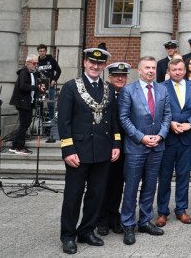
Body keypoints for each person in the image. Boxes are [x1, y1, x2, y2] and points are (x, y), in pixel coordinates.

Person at [57, 47, 120, 254]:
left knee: (96, 195)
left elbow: (114, 121)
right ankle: (68, 235)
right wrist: (68, 150)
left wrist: (116, 144)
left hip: (102, 151)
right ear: (85, 63)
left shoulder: (109, 89)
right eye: (92, 62)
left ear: (103, 67)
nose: (95, 66)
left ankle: (86, 231)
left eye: (100, 64)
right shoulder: (70, 87)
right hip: (78, 152)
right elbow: (64, 122)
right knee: (73, 196)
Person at [118, 56, 172, 245]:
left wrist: (161, 135)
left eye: (153, 67)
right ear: (139, 70)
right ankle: (128, 224)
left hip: (157, 146)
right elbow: (124, 119)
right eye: (146, 67)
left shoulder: (162, 90)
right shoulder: (128, 91)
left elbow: (167, 116)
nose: (150, 71)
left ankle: (144, 221)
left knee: (150, 187)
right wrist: (141, 137)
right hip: (135, 147)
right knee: (131, 188)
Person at [155, 58, 191, 227]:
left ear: (185, 70)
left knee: (184, 176)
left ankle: (181, 209)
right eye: (174, 69)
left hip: (186, 139)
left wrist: (190, 123)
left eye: (180, 69)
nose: (177, 72)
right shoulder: (160, 87)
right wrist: (169, 124)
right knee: (165, 177)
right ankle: (162, 211)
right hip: (167, 139)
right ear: (168, 71)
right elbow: (156, 112)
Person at [96, 62, 131, 237]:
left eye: (123, 75)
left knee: (118, 185)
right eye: (116, 75)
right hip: (105, 147)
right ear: (109, 77)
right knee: (102, 184)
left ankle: (113, 217)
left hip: (124, 148)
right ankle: (101, 220)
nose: (120, 78)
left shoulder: (130, 94)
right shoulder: (103, 94)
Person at [9, 54, 44, 154]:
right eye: (34, 63)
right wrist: (36, 87)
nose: (35, 65)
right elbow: (23, 86)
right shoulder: (24, 72)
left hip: (29, 102)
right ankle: (20, 147)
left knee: (25, 124)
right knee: (24, 124)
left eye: (37, 63)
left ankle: (15, 146)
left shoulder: (32, 73)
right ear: (28, 62)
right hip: (23, 102)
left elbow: (32, 85)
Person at [37, 43, 61, 133]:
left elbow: (59, 71)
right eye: (40, 51)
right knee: (39, 104)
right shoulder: (37, 61)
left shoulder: (51, 60)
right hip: (41, 85)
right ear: (38, 52)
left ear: (46, 51)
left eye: (43, 51)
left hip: (50, 85)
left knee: (51, 104)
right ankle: (39, 124)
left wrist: (54, 80)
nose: (42, 53)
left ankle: (52, 124)